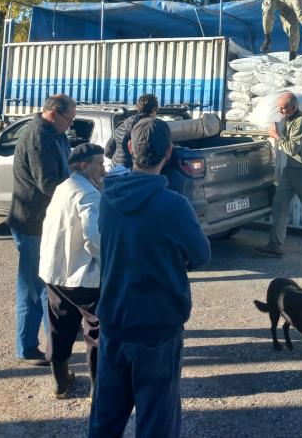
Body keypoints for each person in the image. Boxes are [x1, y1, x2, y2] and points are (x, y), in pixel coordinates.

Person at [89, 117, 211, 438]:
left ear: (129, 148)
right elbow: (201, 254)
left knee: (105, 418)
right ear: (168, 152)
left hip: (113, 323)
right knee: (156, 421)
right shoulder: (174, 206)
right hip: (157, 330)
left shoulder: (108, 198)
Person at [7, 93, 76, 365]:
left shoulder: (56, 134)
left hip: (45, 221)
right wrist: (77, 190)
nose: (69, 125)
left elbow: (64, 169)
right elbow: (47, 182)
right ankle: (27, 346)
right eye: (68, 119)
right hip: (30, 221)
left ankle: (54, 340)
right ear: (52, 113)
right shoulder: (39, 136)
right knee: (35, 286)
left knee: (48, 284)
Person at [39, 143, 105, 399]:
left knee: (59, 326)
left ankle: (60, 382)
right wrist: (107, 261)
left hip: (55, 273)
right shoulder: (88, 194)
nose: (102, 168)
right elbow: (95, 237)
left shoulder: (62, 188)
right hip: (83, 277)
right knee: (96, 330)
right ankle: (98, 388)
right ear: (83, 165)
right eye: (98, 163)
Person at [255, 92, 302, 257]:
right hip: (291, 169)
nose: (280, 111)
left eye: (283, 108)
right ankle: (275, 244)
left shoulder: (301, 121)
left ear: (293, 107)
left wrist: (276, 137)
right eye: (279, 107)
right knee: (279, 204)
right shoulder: (287, 118)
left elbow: (293, 149)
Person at [104, 93, 158, 169]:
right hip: (135, 173)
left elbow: (107, 152)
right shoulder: (151, 128)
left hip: (115, 171)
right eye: (157, 110)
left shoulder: (122, 125)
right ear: (154, 109)